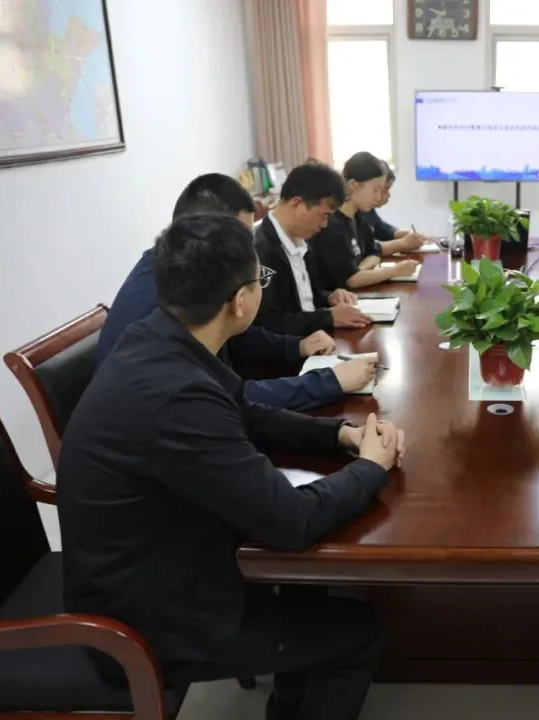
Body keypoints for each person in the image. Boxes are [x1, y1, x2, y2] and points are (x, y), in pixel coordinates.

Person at [60, 213, 405, 720]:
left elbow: (246, 411)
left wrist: (338, 435)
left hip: (153, 557)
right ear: (241, 301)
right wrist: (372, 466)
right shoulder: (175, 396)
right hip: (145, 617)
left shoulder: (160, 338)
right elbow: (293, 521)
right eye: (260, 279)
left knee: (308, 596)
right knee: (358, 633)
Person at [96, 173, 375, 411]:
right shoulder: (162, 304)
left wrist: (296, 347)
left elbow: (233, 332)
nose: (249, 253)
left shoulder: (182, 269)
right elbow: (226, 401)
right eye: (241, 240)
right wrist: (329, 382)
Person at [255, 160, 374, 336]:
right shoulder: (260, 251)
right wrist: (328, 317)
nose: (325, 224)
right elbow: (267, 324)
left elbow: (305, 299)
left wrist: (329, 297)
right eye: (324, 215)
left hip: (316, 338)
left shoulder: (303, 240)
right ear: (297, 204)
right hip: (294, 347)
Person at [306, 152, 420, 291]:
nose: (379, 198)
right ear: (353, 185)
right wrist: (394, 271)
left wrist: (360, 270)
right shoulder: (332, 224)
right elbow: (351, 280)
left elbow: (374, 252)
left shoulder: (358, 215)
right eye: (375, 190)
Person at [361, 163, 428, 254]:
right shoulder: (349, 215)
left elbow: (377, 226)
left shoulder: (366, 209)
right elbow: (362, 249)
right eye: (385, 189)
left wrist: (403, 234)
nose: (388, 196)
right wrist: (402, 244)